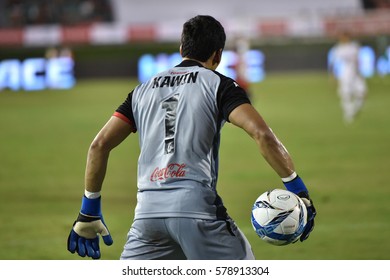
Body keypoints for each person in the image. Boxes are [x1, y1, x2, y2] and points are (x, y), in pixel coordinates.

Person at [67, 15, 316, 260]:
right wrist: (298, 189)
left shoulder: (141, 91)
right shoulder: (219, 85)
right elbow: (262, 134)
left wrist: (89, 210)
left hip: (147, 218)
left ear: (181, 48)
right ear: (218, 55)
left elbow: (99, 146)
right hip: (198, 213)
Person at [329, 32, 367, 124]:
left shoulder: (354, 47)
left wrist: (360, 72)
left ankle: (353, 109)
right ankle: (348, 113)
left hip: (355, 73)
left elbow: (358, 60)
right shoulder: (338, 49)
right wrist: (332, 76)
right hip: (345, 73)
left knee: (362, 93)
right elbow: (333, 63)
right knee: (345, 94)